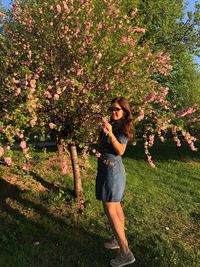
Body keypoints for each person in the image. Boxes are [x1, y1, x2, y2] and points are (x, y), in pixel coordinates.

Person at [96, 97, 135, 267]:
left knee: (110, 208)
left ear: (124, 111)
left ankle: (126, 253)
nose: (113, 112)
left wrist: (110, 133)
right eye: (111, 108)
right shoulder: (112, 124)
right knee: (116, 206)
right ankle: (117, 240)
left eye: (117, 109)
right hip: (107, 169)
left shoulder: (121, 127)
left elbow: (120, 150)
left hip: (112, 171)